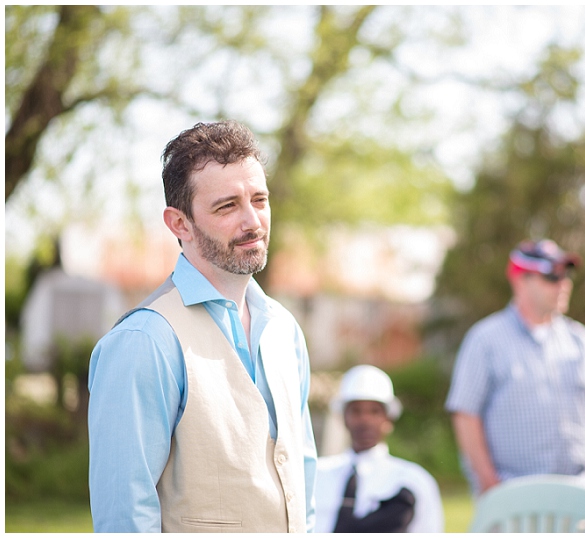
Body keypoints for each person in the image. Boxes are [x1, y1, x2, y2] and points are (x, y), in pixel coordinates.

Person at [87, 121, 317, 532]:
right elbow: (124, 516)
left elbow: (303, 481)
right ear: (180, 224)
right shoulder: (145, 341)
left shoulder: (285, 330)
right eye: (227, 206)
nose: (253, 221)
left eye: (259, 200)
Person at [445, 239, 585, 496]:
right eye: (551, 276)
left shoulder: (582, 341)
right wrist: (489, 482)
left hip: (578, 492)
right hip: (511, 492)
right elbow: (466, 415)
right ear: (520, 280)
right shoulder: (485, 340)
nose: (563, 284)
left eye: (566, 276)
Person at [315, 365, 445, 533]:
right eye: (356, 411)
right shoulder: (316, 475)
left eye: (374, 411)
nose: (365, 420)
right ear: (344, 417)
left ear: (388, 418)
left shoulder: (412, 482)